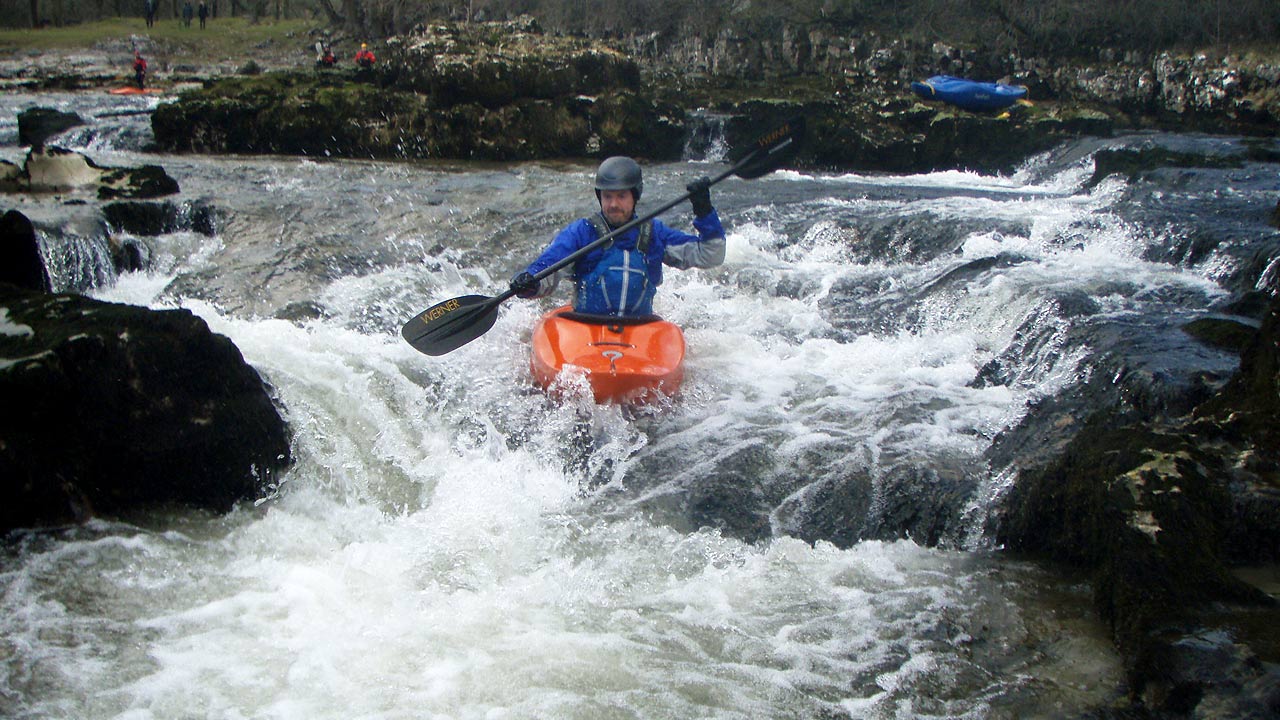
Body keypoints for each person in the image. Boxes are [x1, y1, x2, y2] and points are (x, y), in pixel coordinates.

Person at [509, 157, 725, 317]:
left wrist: (704, 210)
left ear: (635, 196)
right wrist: (529, 282)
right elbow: (549, 267)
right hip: (586, 326)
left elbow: (711, 255)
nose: (613, 204)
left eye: (621, 196)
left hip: (639, 328)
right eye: (607, 196)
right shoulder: (582, 233)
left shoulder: (654, 233)